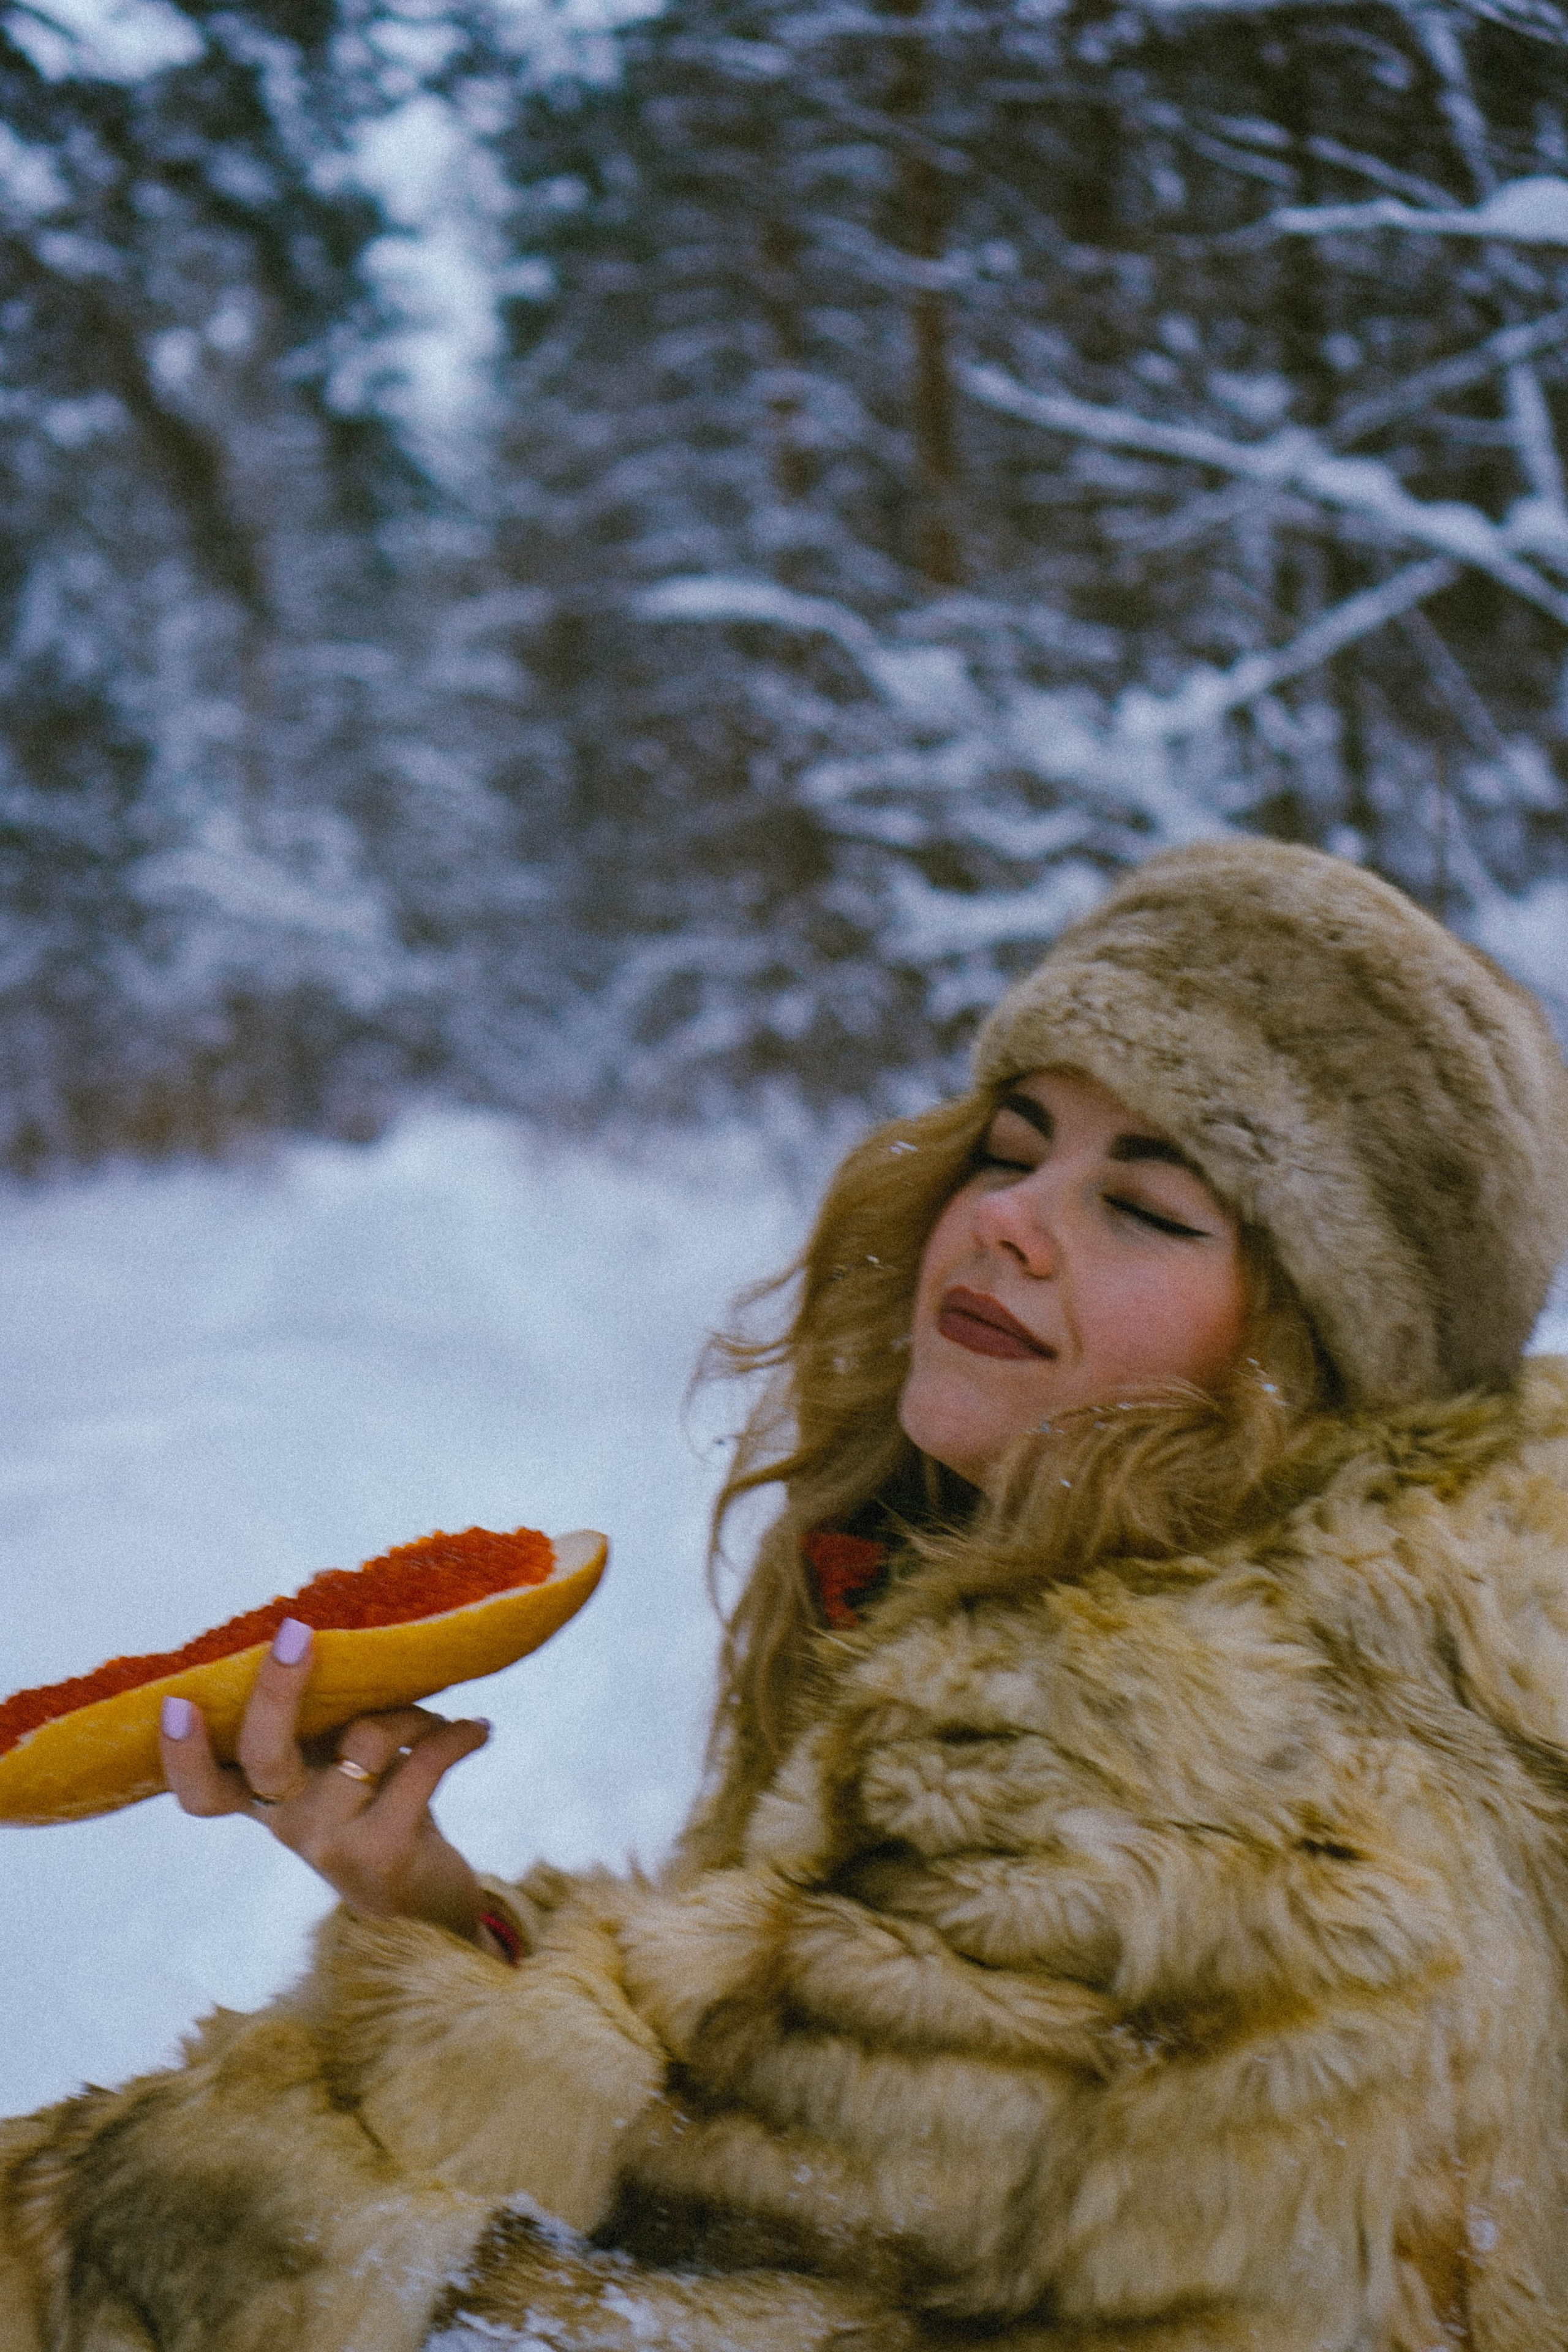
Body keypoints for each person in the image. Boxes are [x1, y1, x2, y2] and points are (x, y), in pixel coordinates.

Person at [4, 836, 1568, 2352]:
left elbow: (657, 2282)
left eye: (1145, 1207)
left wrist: (107, 2239)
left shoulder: (1161, 1778)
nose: (1009, 1218)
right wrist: (438, 1922)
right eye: (1016, 1147)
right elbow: (810, 2166)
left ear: (1309, 1349)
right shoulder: (1356, 1650)